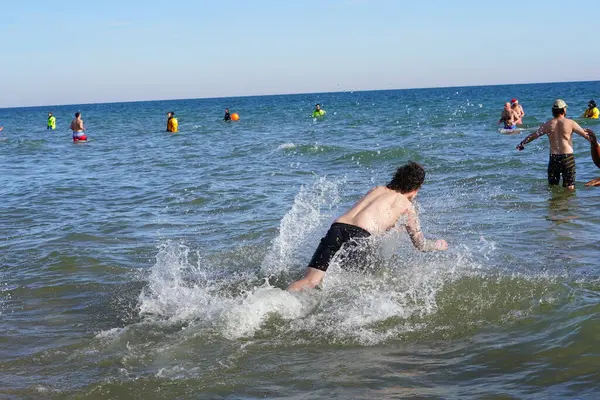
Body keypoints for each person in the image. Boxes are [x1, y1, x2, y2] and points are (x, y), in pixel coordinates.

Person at [288, 161, 448, 292]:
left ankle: (281, 298)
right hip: (359, 236)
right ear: (416, 188)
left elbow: (376, 217)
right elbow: (420, 244)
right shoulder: (407, 206)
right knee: (368, 283)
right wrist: (438, 245)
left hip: (337, 228)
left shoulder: (376, 190)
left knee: (309, 281)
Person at [516, 99, 593, 190]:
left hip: (554, 158)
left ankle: (554, 203)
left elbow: (534, 135)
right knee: (570, 186)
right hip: (567, 157)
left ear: (553, 111)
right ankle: (569, 203)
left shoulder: (548, 124)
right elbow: (586, 136)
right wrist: (597, 144)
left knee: (552, 186)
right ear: (564, 110)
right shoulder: (571, 123)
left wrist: (522, 143)